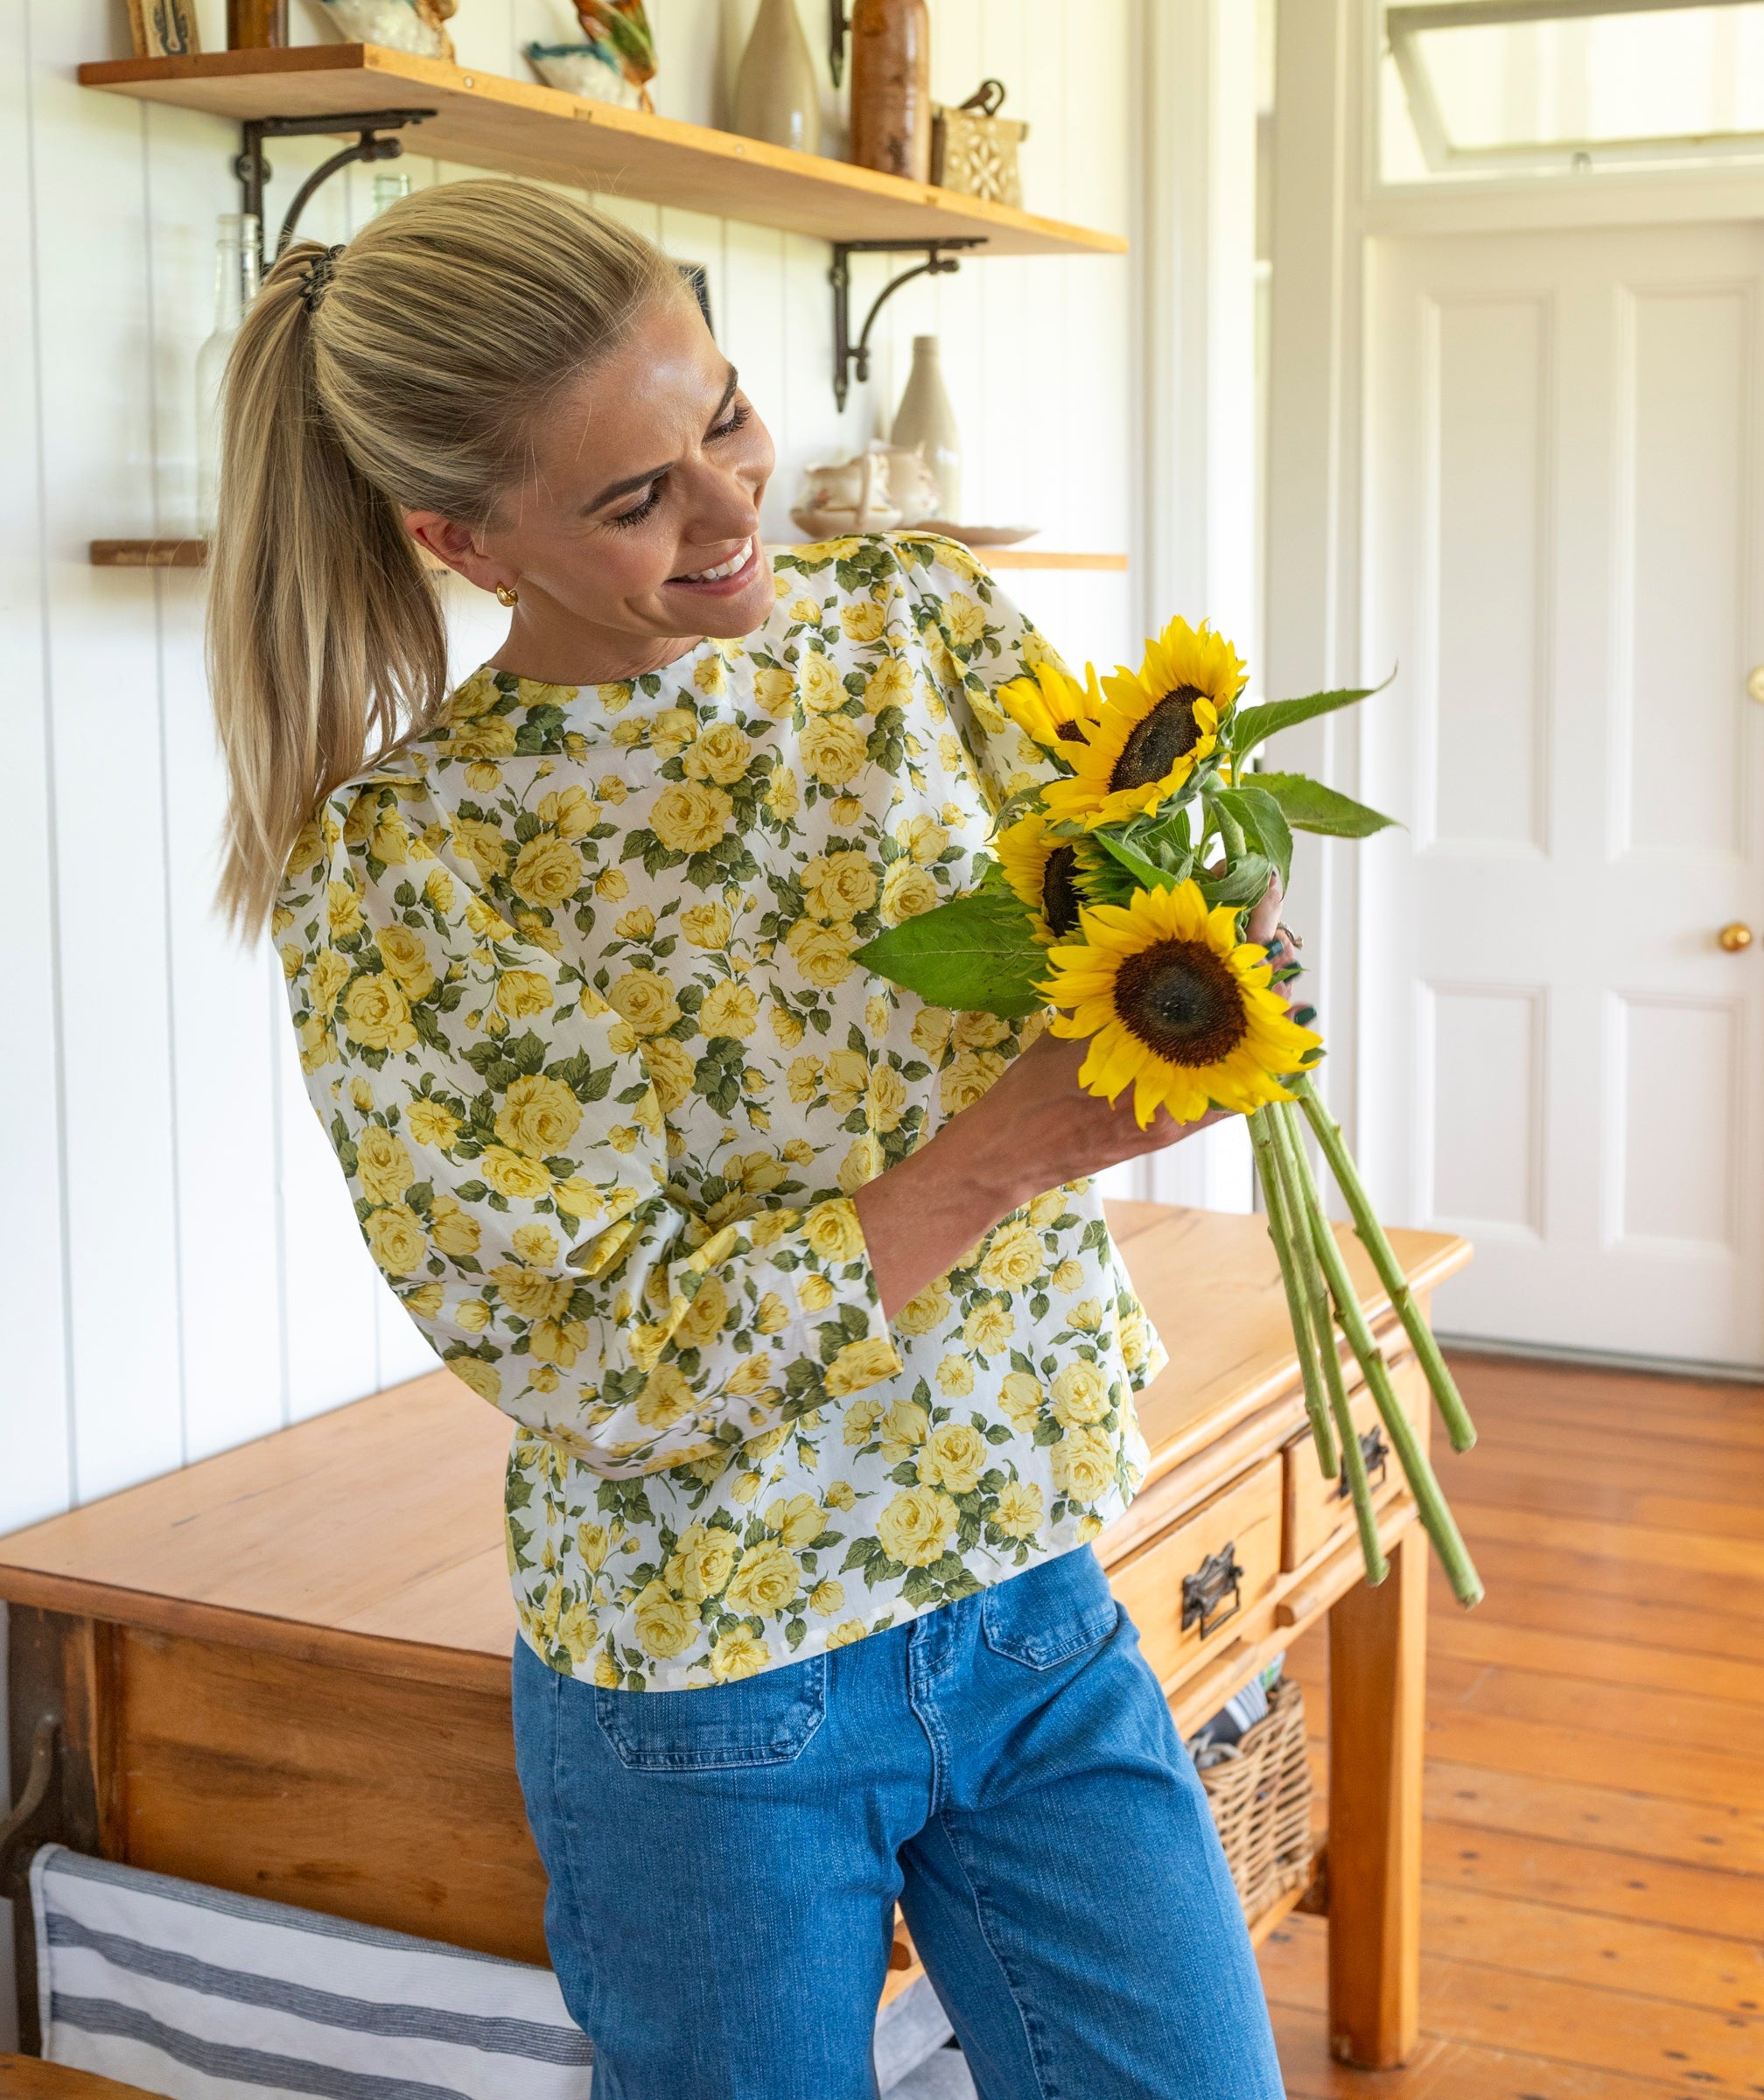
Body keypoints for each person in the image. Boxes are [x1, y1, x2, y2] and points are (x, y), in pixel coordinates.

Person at [209, 178, 1285, 2100]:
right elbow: (600, 1357)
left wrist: (1212, 954)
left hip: (1024, 1576)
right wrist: (1007, 1151)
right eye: (635, 498)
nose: (729, 512)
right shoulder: (410, 867)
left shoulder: (922, 625)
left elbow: (1114, 903)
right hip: (711, 1684)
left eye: (724, 419)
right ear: (462, 541)